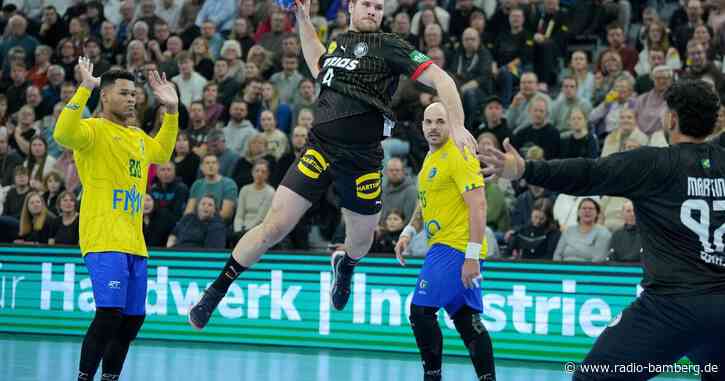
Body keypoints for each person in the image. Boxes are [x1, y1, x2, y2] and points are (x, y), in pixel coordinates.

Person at [189, 0, 476, 329]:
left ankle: (346, 264)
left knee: (361, 240)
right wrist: (303, 18)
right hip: (320, 149)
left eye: (379, 7)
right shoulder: (338, 43)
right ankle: (215, 291)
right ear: (351, 7)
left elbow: (444, 81)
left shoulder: (389, 46)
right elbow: (316, 60)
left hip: (362, 158)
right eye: (366, 4)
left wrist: (456, 125)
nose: (373, 10)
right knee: (274, 226)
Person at [480, 79, 725, 379]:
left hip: (670, 306)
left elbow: (588, 173)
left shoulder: (655, 163)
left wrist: (526, 169)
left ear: (672, 118)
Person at [53, 57, 179, 381]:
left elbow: (162, 153)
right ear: (105, 96)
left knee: (132, 320)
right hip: (104, 237)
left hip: (135, 243)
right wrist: (84, 88)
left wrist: (173, 111)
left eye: (134, 94)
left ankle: (110, 378)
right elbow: (62, 133)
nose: (132, 99)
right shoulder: (93, 131)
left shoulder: (137, 136)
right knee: (109, 315)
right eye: (124, 93)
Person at [394, 102, 494, 381]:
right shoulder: (430, 157)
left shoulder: (460, 154)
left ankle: (432, 377)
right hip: (445, 245)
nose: (434, 127)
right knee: (466, 321)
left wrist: (472, 256)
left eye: (440, 121)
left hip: (456, 247)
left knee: (421, 312)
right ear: (422, 126)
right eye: (429, 122)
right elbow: (424, 204)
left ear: (451, 125)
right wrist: (408, 233)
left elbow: (479, 206)